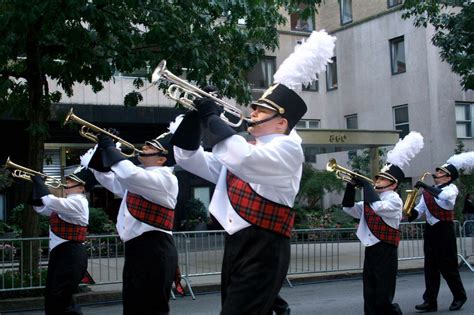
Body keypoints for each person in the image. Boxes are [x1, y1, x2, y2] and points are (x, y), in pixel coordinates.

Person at [84, 131, 178, 315]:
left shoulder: (165, 178)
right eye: (145, 144)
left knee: (152, 308)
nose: (144, 147)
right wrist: (103, 147)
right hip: (137, 249)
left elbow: (129, 175)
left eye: (151, 147)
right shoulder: (138, 179)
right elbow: (104, 176)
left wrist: (111, 147)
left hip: (155, 247)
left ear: (162, 159)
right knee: (133, 306)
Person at [341, 131, 423, 315]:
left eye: (382, 179)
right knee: (369, 292)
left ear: (393, 184)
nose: (377, 181)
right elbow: (349, 208)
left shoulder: (394, 199)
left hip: (386, 249)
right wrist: (350, 187)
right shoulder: (372, 199)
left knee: (383, 295)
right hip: (372, 249)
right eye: (376, 178)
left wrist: (367, 185)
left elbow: (378, 207)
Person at [409, 153, 472, 312]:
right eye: (437, 171)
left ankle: (459, 296)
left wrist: (424, 186)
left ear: (448, 176)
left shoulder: (452, 189)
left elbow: (443, 197)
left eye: (440, 172)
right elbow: (419, 210)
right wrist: (408, 213)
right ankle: (430, 301)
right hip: (430, 231)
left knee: (448, 267)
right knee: (430, 267)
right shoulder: (429, 191)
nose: (436, 174)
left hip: (445, 230)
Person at [30, 166, 96, 315]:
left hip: (71, 254)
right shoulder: (66, 204)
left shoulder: (78, 202)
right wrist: (36, 185)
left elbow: (50, 201)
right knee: (56, 297)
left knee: (59, 299)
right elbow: (40, 208)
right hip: (62, 254)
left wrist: (41, 184)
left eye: (71, 181)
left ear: (81, 188)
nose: (67, 182)